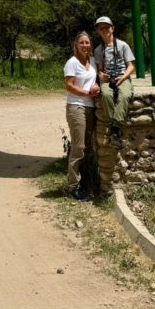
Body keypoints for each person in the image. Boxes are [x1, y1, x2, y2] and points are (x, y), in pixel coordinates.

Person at [63, 30, 100, 201]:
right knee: (78, 147)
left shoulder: (92, 61)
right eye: (82, 42)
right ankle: (73, 186)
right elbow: (69, 85)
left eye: (87, 42)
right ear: (76, 45)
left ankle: (84, 181)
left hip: (90, 107)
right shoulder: (72, 63)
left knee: (88, 147)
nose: (85, 45)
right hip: (76, 106)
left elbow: (96, 80)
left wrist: (97, 86)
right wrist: (86, 92)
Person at [93, 16, 135, 150]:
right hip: (108, 78)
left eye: (106, 27)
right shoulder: (98, 50)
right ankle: (115, 129)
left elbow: (131, 66)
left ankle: (114, 128)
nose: (104, 30)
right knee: (105, 94)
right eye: (101, 28)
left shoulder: (123, 45)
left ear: (112, 28)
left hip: (123, 77)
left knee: (125, 95)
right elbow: (100, 70)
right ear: (98, 31)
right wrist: (101, 75)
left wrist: (123, 78)